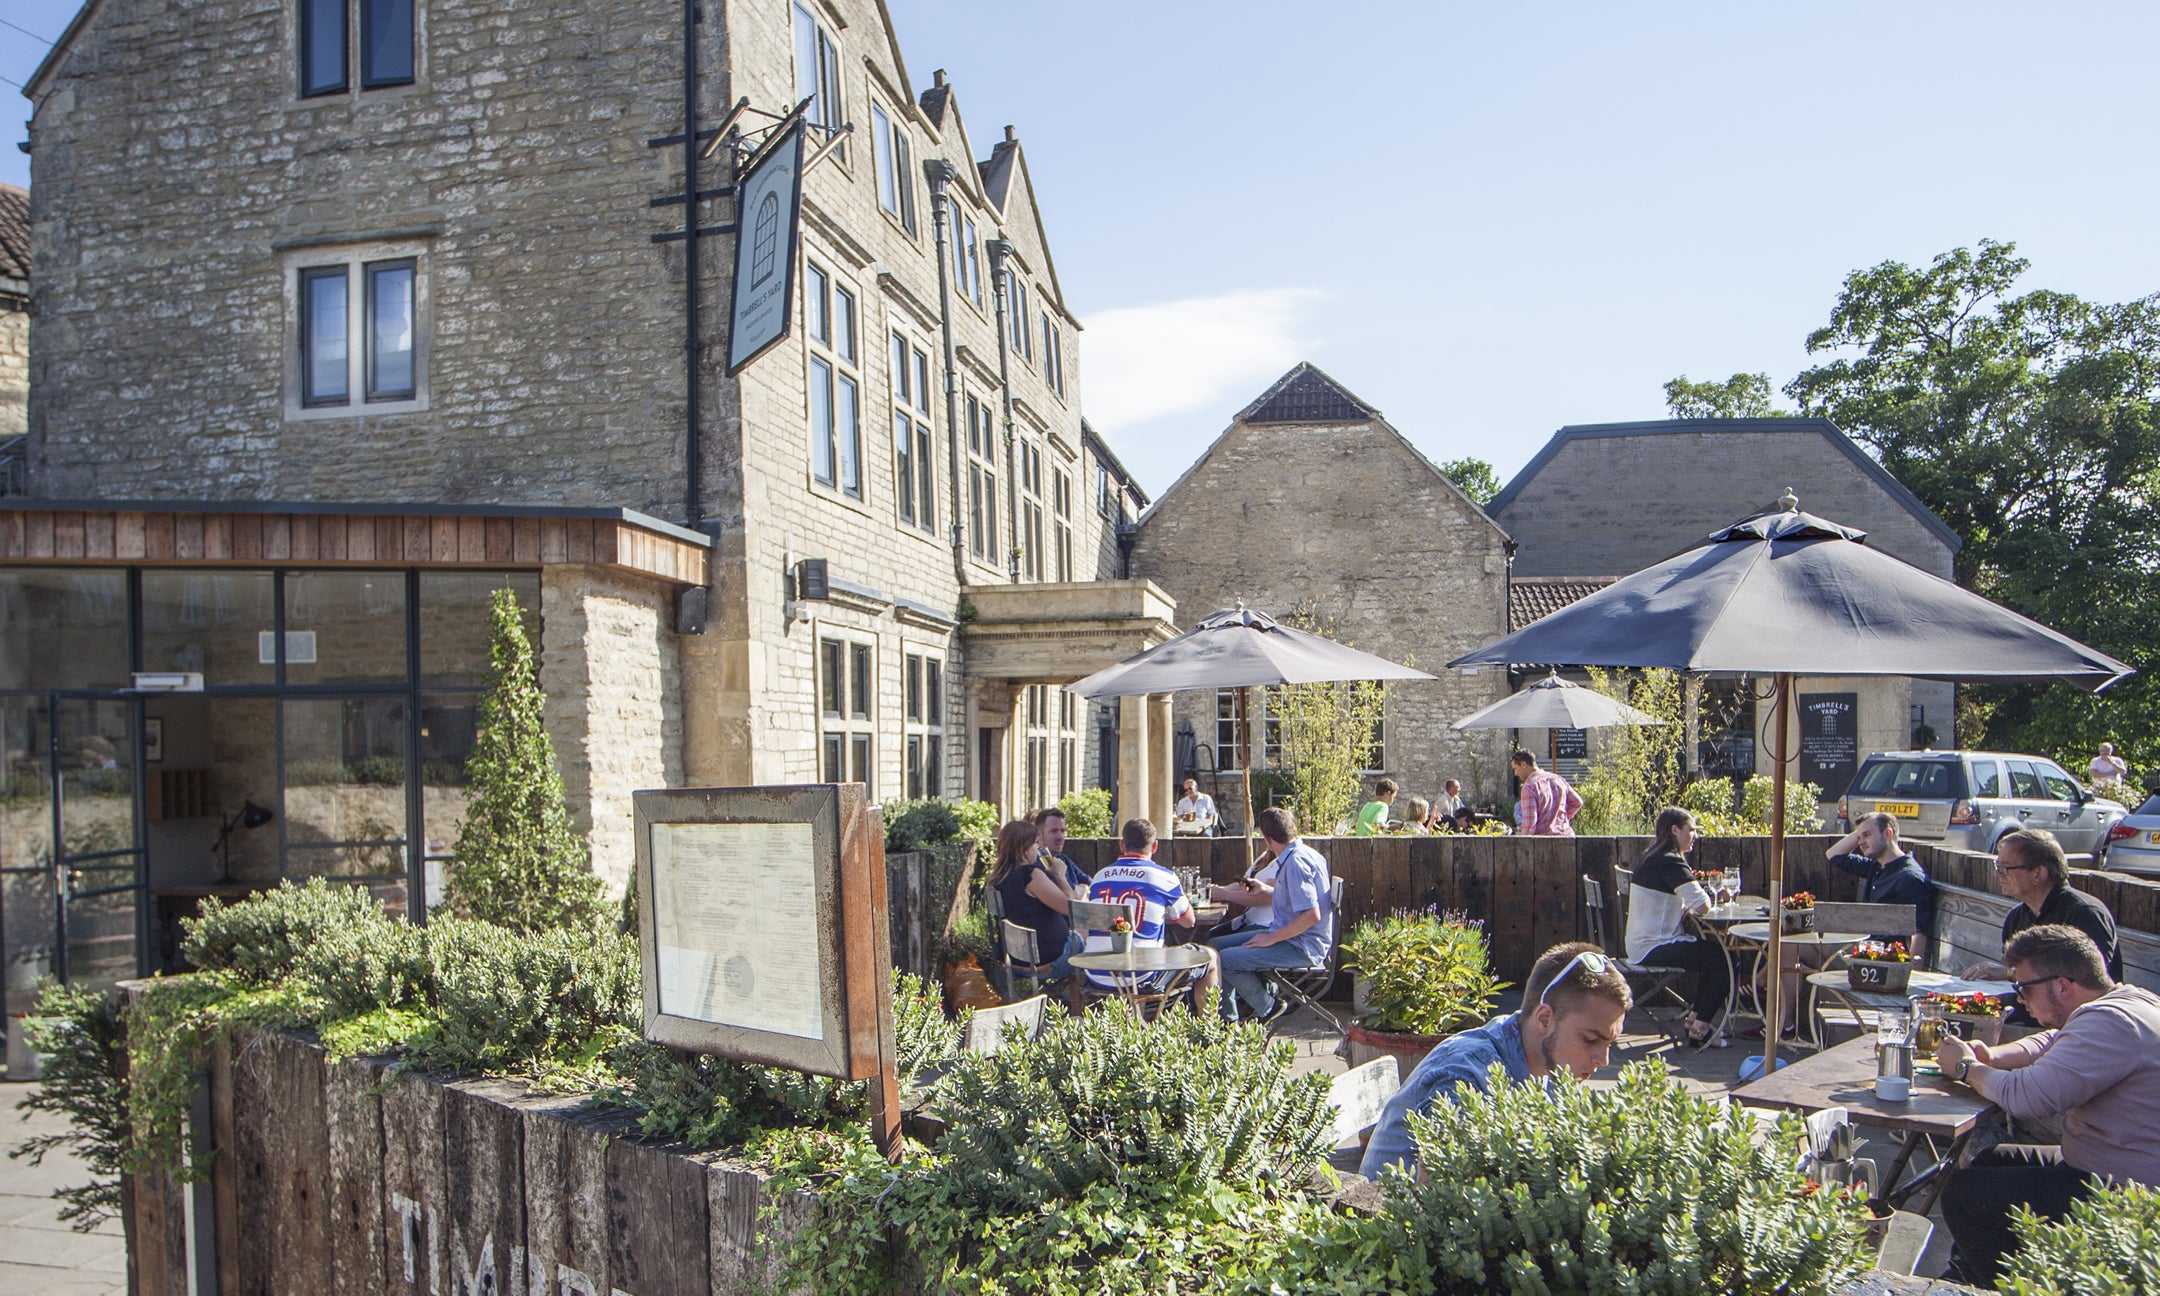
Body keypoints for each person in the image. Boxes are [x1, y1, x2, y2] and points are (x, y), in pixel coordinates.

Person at [1935, 925, 2160, 1285]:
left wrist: (1966, 1069)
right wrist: (1993, 1056)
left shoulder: (2110, 1022)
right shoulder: (2129, 1001)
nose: (2019, 998)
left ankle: (2010, 1287)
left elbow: (2029, 1097)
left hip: (2129, 1192)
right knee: (1992, 1160)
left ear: (2062, 985)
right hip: (2102, 1166)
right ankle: (1968, 1273)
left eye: (2024, 988)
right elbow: (2054, 1039)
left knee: (1964, 1195)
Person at [1360, 941, 1632, 1178]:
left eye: (1609, 1043)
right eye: (1591, 1039)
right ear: (1544, 1019)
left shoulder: (1542, 1056)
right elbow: (1438, 1189)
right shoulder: (1465, 1075)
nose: (1603, 1059)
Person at [1212, 807, 1333, 1024]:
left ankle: (1268, 1006)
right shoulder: (1308, 853)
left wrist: (1271, 939)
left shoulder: (1295, 863)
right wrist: (1266, 890)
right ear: (1292, 829)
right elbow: (1298, 898)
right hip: (1292, 936)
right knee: (1214, 947)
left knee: (1224, 960)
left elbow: (1311, 914)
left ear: (1267, 839)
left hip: (1302, 946)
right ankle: (1228, 1020)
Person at [1082, 819, 1216, 1007]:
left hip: (1096, 973)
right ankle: (1208, 1029)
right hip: (1141, 977)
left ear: (1122, 845)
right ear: (1155, 846)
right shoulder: (1163, 877)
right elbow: (1188, 921)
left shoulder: (1099, 877)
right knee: (1210, 958)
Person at [1961, 828, 2121, 985]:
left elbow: (2088, 981)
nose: (1998, 874)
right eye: (1998, 866)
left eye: (2006, 868)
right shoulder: (2016, 917)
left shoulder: (2085, 913)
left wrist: (2010, 974)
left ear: (2038, 874)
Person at [1624, 808, 1728, 1048]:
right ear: (1675, 830)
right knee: (1726, 962)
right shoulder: (1671, 862)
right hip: (1655, 945)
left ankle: (1695, 1021)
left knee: (1714, 959)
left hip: (1640, 943)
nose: (1695, 835)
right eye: (1691, 830)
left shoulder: (1653, 857)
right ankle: (1700, 1028)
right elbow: (1702, 906)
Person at [989, 818, 1088, 981]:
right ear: (1025, 848)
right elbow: (1072, 910)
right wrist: (1060, 876)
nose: (1038, 848)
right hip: (1048, 963)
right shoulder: (1030, 874)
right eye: (1035, 843)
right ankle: (1082, 995)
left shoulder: (998, 878)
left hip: (1012, 960)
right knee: (1085, 926)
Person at [1824, 812, 1935, 954]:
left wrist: (1912, 975)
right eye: (1859, 837)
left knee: (1794, 950)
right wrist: (1862, 829)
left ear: (1888, 833)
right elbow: (1833, 855)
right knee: (1793, 947)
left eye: (1867, 835)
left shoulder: (1909, 877)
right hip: (1863, 949)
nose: (1860, 842)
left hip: (1882, 960)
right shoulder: (1876, 866)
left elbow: (1919, 934)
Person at [1512, 751, 1583, 836]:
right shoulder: (1558, 779)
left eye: (1515, 768)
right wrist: (1561, 819)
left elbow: (1529, 827)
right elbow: (1577, 802)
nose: (1515, 773)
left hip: (1544, 842)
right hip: (1567, 837)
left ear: (1523, 764)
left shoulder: (1529, 787)